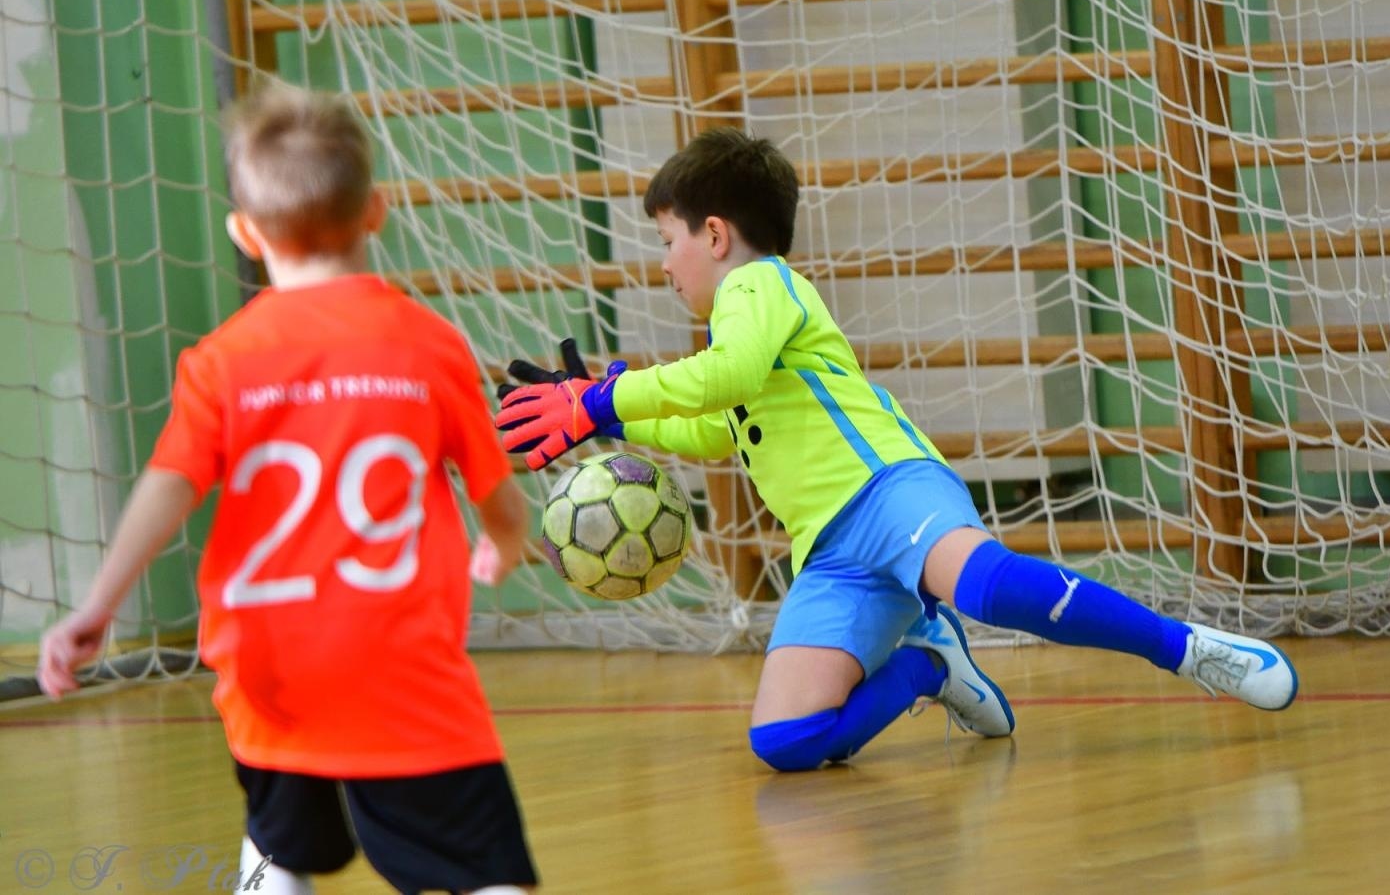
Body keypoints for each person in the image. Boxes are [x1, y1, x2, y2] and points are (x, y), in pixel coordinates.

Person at [495, 126, 1298, 774]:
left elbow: (723, 376)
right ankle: (930, 666)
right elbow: (716, 424)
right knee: (785, 741)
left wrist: (601, 397)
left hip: (887, 488)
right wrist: (610, 419)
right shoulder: (734, 315)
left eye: (667, 240)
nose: (663, 262)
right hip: (833, 552)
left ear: (714, 234)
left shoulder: (760, 284)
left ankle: (1186, 649)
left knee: (984, 584)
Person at [36, 81, 540, 894]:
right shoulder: (430, 347)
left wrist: (98, 605)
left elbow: (168, 488)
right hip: (400, 669)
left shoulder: (222, 361)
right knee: (482, 871)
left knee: (277, 851)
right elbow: (498, 496)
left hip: (268, 676)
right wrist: (504, 546)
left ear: (244, 232)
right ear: (375, 210)